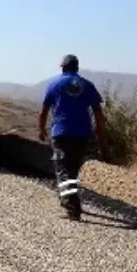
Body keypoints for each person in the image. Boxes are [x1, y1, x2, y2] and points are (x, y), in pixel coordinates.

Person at [38, 54, 106, 220]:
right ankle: (68, 199)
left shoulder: (53, 84)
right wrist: (101, 134)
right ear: (76, 67)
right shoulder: (87, 85)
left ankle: (72, 205)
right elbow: (98, 112)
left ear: (62, 67)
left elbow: (44, 110)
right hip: (82, 134)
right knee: (72, 170)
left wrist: (41, 129)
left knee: (62, 169)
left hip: (61, 132)